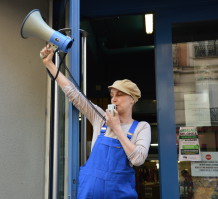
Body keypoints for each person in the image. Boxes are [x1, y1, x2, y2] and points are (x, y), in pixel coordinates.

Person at [40, 45, 151, 199]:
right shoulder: (100, 118)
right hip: (89, 193)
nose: (114, 98)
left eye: (120, 94)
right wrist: (49, 64)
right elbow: (74, 94)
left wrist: (117, 128)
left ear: (132, 99)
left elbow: (138, 159)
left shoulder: (141, 127)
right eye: (112, 94)